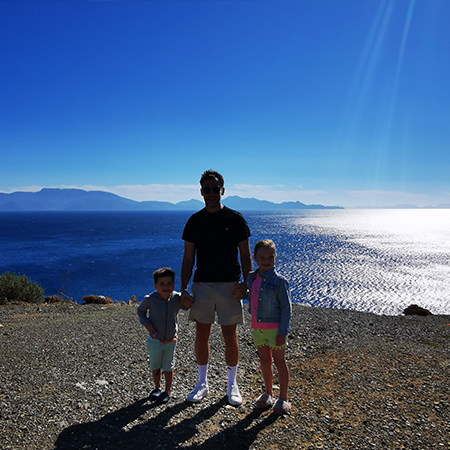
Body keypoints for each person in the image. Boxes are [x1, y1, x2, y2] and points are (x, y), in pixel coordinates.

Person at [181, 169, 252, 406]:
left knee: (230, 335)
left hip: (230, 285)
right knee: (202, 334)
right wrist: (183, 288)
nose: (210, 193)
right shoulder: (194, 221)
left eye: (214, 189)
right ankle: (202, 383)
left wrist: (246, 284)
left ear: (222, 190)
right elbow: (188, 259)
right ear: (201, 192)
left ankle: (232, 384)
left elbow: (245, 254)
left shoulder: (236, 219)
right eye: (206, 189)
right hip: (202, 285)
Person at [246, 239, 292, 415]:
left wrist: (283, 332)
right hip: (258, 328)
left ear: (275, 257)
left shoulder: (280, 282)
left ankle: (283, 397)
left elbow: (287, 309)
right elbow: (253, 295)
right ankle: (268, 393)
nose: (266, 260)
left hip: (275, 329)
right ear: (255, 258)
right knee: (265, 362)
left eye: (270, 257)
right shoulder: (252, 277)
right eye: (262, 257)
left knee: (279, 362)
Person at [137, 267, 193, 404]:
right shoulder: (150, 299)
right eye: (162, 283)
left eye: (169, 283)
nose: (166, 287)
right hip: (155, 340)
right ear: (155, 285)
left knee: (168, 366)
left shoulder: (176, 298)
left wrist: (188, 301)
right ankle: (157, 388)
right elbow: (140, 311)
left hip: (171, 340)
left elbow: (186, 306)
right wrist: (147, 324)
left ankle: (168, 390)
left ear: (174, 285)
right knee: (155, 365)